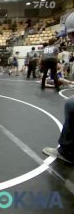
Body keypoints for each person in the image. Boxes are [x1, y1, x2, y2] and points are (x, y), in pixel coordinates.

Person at [43, 12, 74, 163]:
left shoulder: (48, 52)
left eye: (71, 35)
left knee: (71, 104)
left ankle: (66, 151)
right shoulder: (54, 54)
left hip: (52, 73)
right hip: (54, 74)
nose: (69, 39)